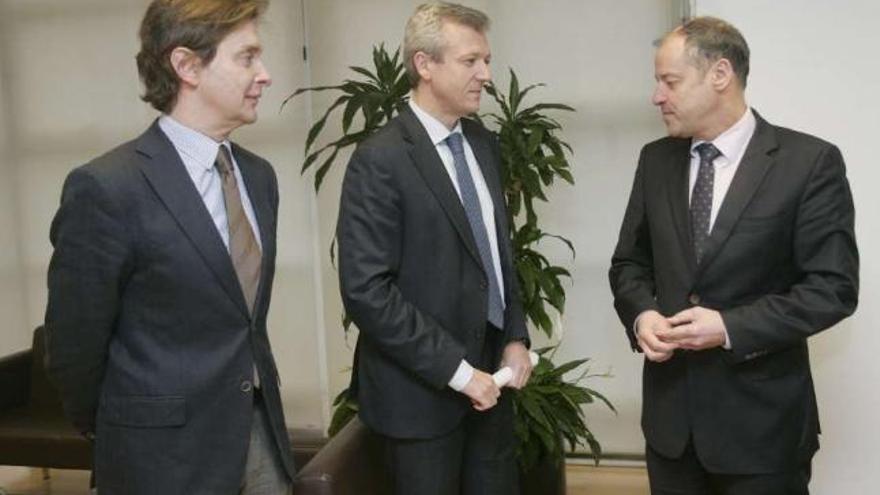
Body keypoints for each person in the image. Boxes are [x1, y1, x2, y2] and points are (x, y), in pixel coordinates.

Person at [43, 1, 294, 493]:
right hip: (159, 462)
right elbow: (75, 346)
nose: (264, 75)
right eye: (247, 57)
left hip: (260, 441)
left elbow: (243, 321)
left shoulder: (259, 177)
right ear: (187, 66)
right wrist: (126, 428)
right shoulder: (107, 188)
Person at [609, 16, 859, 495]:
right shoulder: (655, 160)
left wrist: (728, 327)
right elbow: (630, 264)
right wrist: (642, 315)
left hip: (763, 435)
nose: (656, 96)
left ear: (720, 75)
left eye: (669, 82)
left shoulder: (808, 164)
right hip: (671, 433)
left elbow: (833, 289)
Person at [336, 2, 533, 494]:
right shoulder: (379, 160)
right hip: (419, 401)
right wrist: (459, 372)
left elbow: (497, 254)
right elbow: (367, 291)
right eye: (471, 61)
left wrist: (515, 336)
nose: (486, 75)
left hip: (493, 386)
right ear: (424, 65)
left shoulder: (482, 142)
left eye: (485, 60)